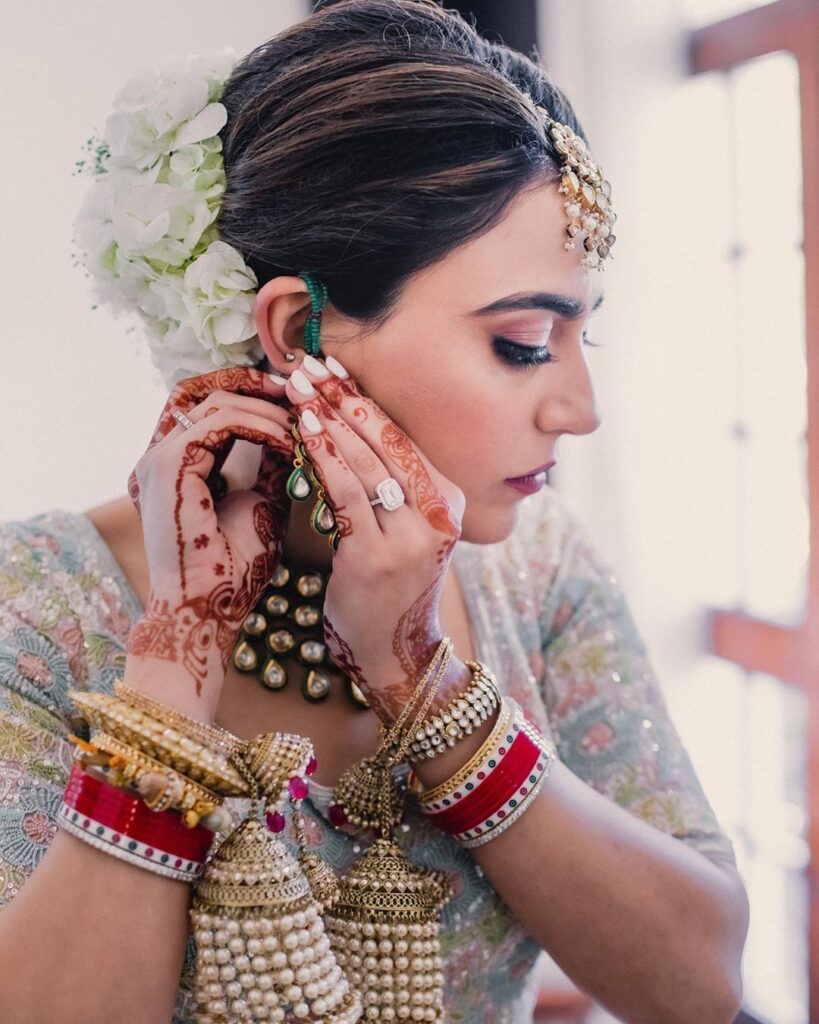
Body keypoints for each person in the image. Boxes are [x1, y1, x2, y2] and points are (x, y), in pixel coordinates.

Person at [0, 1, 749, 1022]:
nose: (580, 410)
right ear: (300, 331)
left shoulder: (537, 570)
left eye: (585, 342)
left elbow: (699, 986)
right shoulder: (38, 606)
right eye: (526, 343)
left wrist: (424, 687)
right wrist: (174, 667)